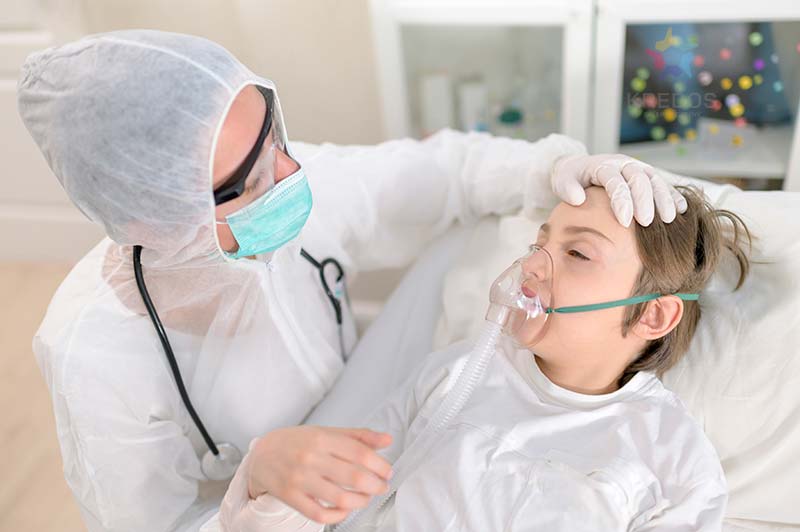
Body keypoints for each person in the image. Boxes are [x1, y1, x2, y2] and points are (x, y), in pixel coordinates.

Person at [19, 30, 688, 532]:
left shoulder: (657, 443)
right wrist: (251, 483)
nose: (289, 175)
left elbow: (446, 175)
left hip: (356, 426)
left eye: (275, 137)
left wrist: (558, 173)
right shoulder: (98, 360)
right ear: (151, 218)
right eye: (246, 181)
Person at [213, 185, 751, 531]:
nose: (533, 266)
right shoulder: (453, 376)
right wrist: (266, 480)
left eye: (577, 252)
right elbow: (336, 507)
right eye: (541, 242)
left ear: (653, 317)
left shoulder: (672, 459)